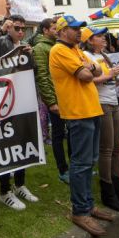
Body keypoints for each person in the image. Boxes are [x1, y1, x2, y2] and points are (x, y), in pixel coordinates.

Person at [49, 16, 113, 236]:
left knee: (90, 161)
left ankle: (88, 205)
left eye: (79, 28)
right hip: (78, 112)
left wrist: (91, 67)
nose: (79, 32)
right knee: (81, 163)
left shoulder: (75, 49)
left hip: (91, 109)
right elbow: (87, 75)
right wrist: (91, 68)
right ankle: (80, 211)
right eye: (74, 29)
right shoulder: (59, 50)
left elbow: (95, 70)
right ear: (62, 30)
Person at [0, 14, 38, 209]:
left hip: (22, 101)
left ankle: (20, 183)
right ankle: (4, 191)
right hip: (1, 100)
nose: (21, 32)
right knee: (5, 144)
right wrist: (0, 31)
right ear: (9, 27)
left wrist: (29, 57)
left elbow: (33, 73)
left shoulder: (23, 48)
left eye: (23, 28)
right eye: (17, 28)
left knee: (21, 142)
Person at [82, 27, 119, 214]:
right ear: (89, 40)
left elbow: (110, 81)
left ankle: (117, 188)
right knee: (106, 149)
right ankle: (108, 193)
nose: (104, 39)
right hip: (101, 104)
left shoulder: (105, 56)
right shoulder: (85, 56)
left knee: (116, 148)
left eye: (103, 36)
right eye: (99, 36)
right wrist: (112, 75)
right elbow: (88, 80)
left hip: (113, 103)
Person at [33, 17, 71, 183]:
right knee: (58, 134)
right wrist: (51, 101)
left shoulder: (60, 46)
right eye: (54, 28)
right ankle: (63, 170)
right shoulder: (40, 48)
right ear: (45, 30)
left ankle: (75, 167)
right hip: (55, 98)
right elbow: (42, 75)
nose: (57, 30)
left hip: (67, 96)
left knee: (71, 134)